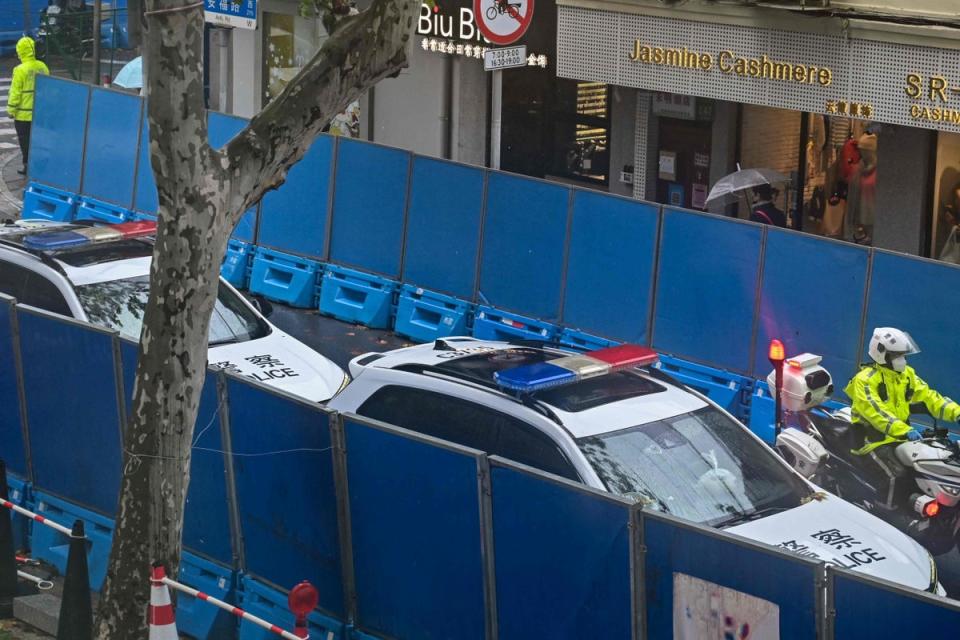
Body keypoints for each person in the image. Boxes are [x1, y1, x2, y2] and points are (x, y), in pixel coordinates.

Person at [845, 327, 960, 506]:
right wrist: (905, 431)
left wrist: (957, 413)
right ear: (882, 354)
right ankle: (887, 512)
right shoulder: (865, 380)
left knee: (923, 468)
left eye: (904, 355)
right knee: (896, 476)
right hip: (872, 441)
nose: (902, 360)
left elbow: (930, 397)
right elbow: (877, 413)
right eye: (897, 355)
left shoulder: (906, 375)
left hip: (901, 438)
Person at [7, 37, 50, 176]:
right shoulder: (42, 66)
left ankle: (27, 165)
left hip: (23, 115)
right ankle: (41, 164)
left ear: (20, 52)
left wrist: (11, 109)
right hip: (40, 111)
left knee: (25, 141)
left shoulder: (20, 69)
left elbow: (15, 92)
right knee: (38, 139)